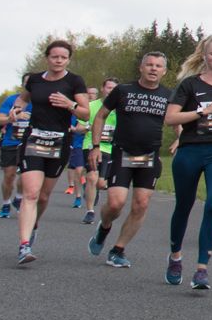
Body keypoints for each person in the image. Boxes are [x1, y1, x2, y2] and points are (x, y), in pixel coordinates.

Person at [162, 37, 212, 292]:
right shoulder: (189, 85)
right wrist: (201, 113)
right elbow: (170, 118)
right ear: (204, 56)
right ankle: (175, 257)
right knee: (184, 206)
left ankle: (201, 270)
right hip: (191, 151)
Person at [89, 54, 171, 268]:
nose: (153, 69)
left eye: (158, 66)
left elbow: (176, 120)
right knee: (116, 203)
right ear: (141, 68)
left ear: (164, 71)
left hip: (150, 156)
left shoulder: (168, 95)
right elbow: (100, 116)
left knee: (141, 203)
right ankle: (104, 226)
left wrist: (180, 139)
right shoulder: (123, 90)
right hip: (122, 153)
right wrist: (96, 147)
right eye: (150, 65)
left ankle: (118, 250)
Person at [13, 41, 90, 265]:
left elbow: (85, 114)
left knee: (44, 196)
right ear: (47, 57)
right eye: (54, 57)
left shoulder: (75, 81)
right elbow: (22, 99)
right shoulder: (35, 80)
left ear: (68, 59)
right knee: (31, 193)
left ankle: (34, 224)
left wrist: (69, 105)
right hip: (34, 138)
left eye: (63, 57)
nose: (58, 61)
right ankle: (24, 245)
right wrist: (17, 109)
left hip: (59, 142)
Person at [82, 79, 117, 226]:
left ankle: (93, 190)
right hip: (91, 146)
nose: (110, 91)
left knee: (101, 184)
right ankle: (90, 211)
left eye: (114, 89)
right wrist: (88, 127)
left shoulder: (120, 108)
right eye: (108, 87)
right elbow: (80, 126)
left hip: (110, 148)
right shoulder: (91, 106)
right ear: (102, 89)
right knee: (92, 177)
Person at [0, 89, 29, 216]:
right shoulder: (12, 100)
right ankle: (5, 203)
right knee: (9, 175)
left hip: (31, 143)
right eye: (27, 85)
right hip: (12, 142)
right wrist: (13, 117)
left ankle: (19, 198)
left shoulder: (40, 101)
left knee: (28, 176)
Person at [63, 89, 95, 205]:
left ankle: (90, 189)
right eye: (88, 95)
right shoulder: (77, 110)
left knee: (92, 173)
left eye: (92, 94)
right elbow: (72, 126)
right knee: (79, 169)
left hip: (93, 144)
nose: (90, 96)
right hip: (78, 144)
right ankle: (77, 196)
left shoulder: (98, 109)